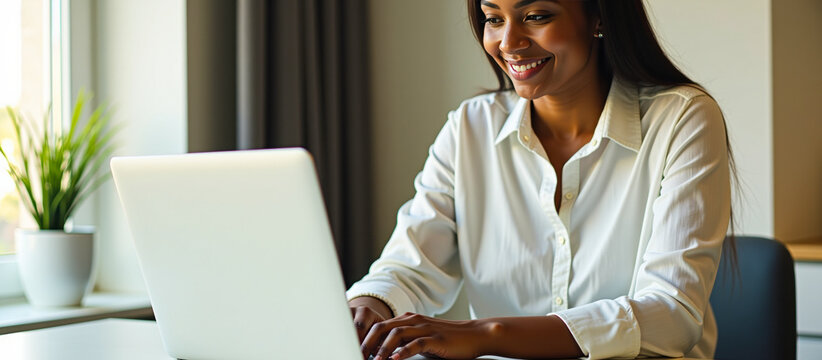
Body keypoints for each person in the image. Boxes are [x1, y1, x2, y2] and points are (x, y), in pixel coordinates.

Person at [347, 0, 734, 359]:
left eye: (536, 16)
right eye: (494, 19)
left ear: (599, 15)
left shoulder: (683, 119)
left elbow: (671, 314)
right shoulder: (470, 128)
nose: (509, 43)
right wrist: (368, 306)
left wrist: (487, 334)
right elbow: (409, 266)